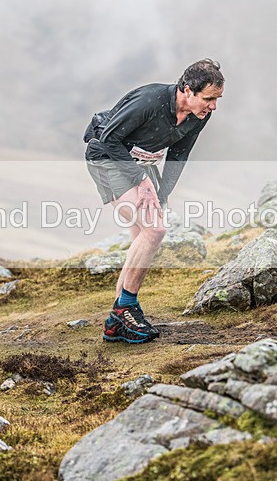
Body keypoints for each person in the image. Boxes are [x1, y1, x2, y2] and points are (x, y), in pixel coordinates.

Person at [85, 58, 224, 343]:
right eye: (209, 98)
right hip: (108, 156)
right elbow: (110, 139)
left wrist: (161, 195)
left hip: (141, 163)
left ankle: (117, 319)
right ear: (187, 90)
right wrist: (142, 181)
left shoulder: (199, 114)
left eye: (218, 99)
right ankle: (125, 307)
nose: (213, 106)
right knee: (155, 230)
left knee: (143, 236)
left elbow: (178, 156)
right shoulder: (149, 100)